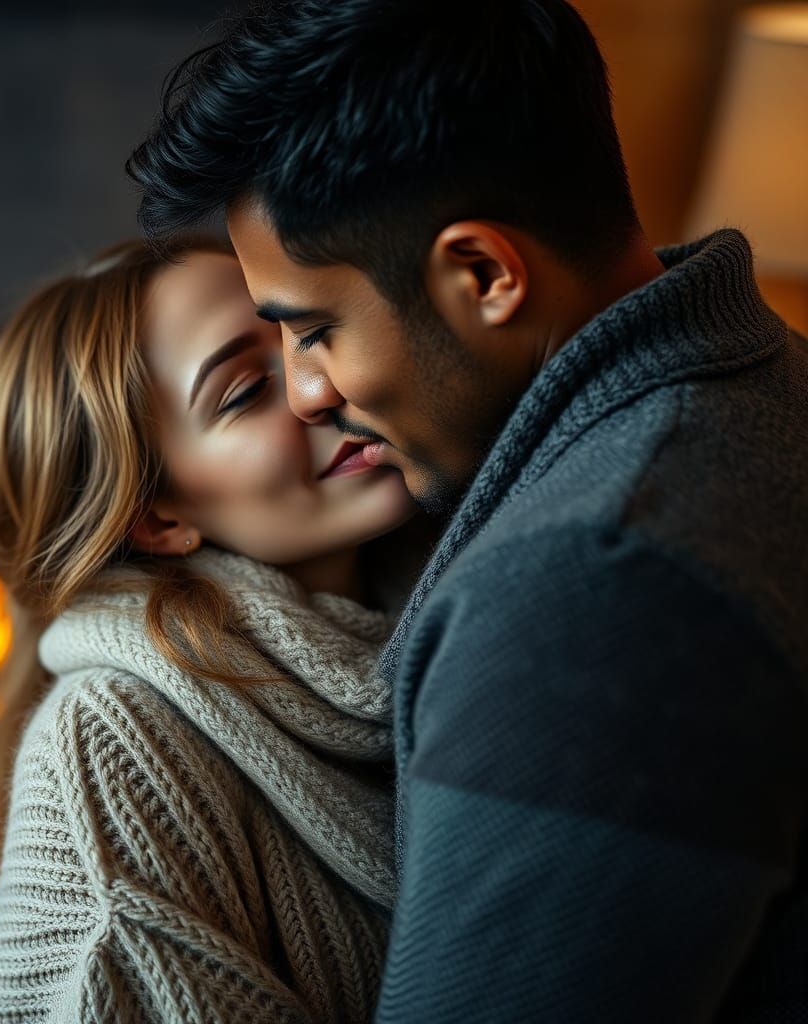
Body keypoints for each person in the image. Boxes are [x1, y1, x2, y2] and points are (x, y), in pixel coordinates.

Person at [125, 0, 808, 1020]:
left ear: (482, 273)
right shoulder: (764, 381)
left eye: (313, 330)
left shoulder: (587, 596)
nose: (308, 390)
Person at [0, 237, 422, 1023]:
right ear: (156, 518)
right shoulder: (110, 755)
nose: (322, 384)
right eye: (246, 390)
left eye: (304, 330)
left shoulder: (462, 600)